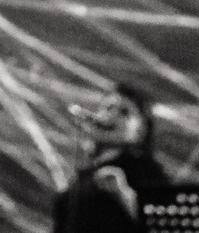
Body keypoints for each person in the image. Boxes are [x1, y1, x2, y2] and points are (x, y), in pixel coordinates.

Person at [52, 84, 171, 231]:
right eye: (108, 108)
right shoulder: (82, 178)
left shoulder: (146, 171)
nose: (112, 115)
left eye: (124, 112)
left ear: (141, 130)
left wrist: (124, 195)